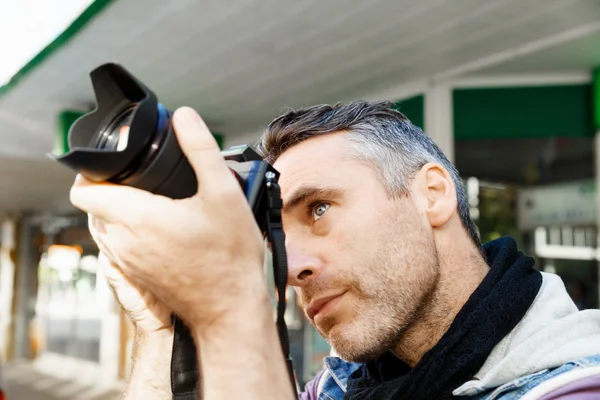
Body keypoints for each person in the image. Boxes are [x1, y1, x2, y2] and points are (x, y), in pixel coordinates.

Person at [70, 102, 600, 400]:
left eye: (319, 209)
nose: (294, 268)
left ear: (432, 195)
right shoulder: (339, 386)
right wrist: (162, 328)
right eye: (277, 233)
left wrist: (231, 305)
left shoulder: (572, 386)